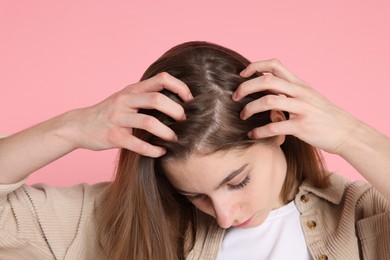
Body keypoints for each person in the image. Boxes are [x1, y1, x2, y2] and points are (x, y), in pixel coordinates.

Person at [0, 41, 389, 260]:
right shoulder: (123, 220)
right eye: (196, 196)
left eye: (237, 182)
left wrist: (350, 134)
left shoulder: (362, 218)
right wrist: (70, 127)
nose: (222, 216)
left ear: (276, 126)